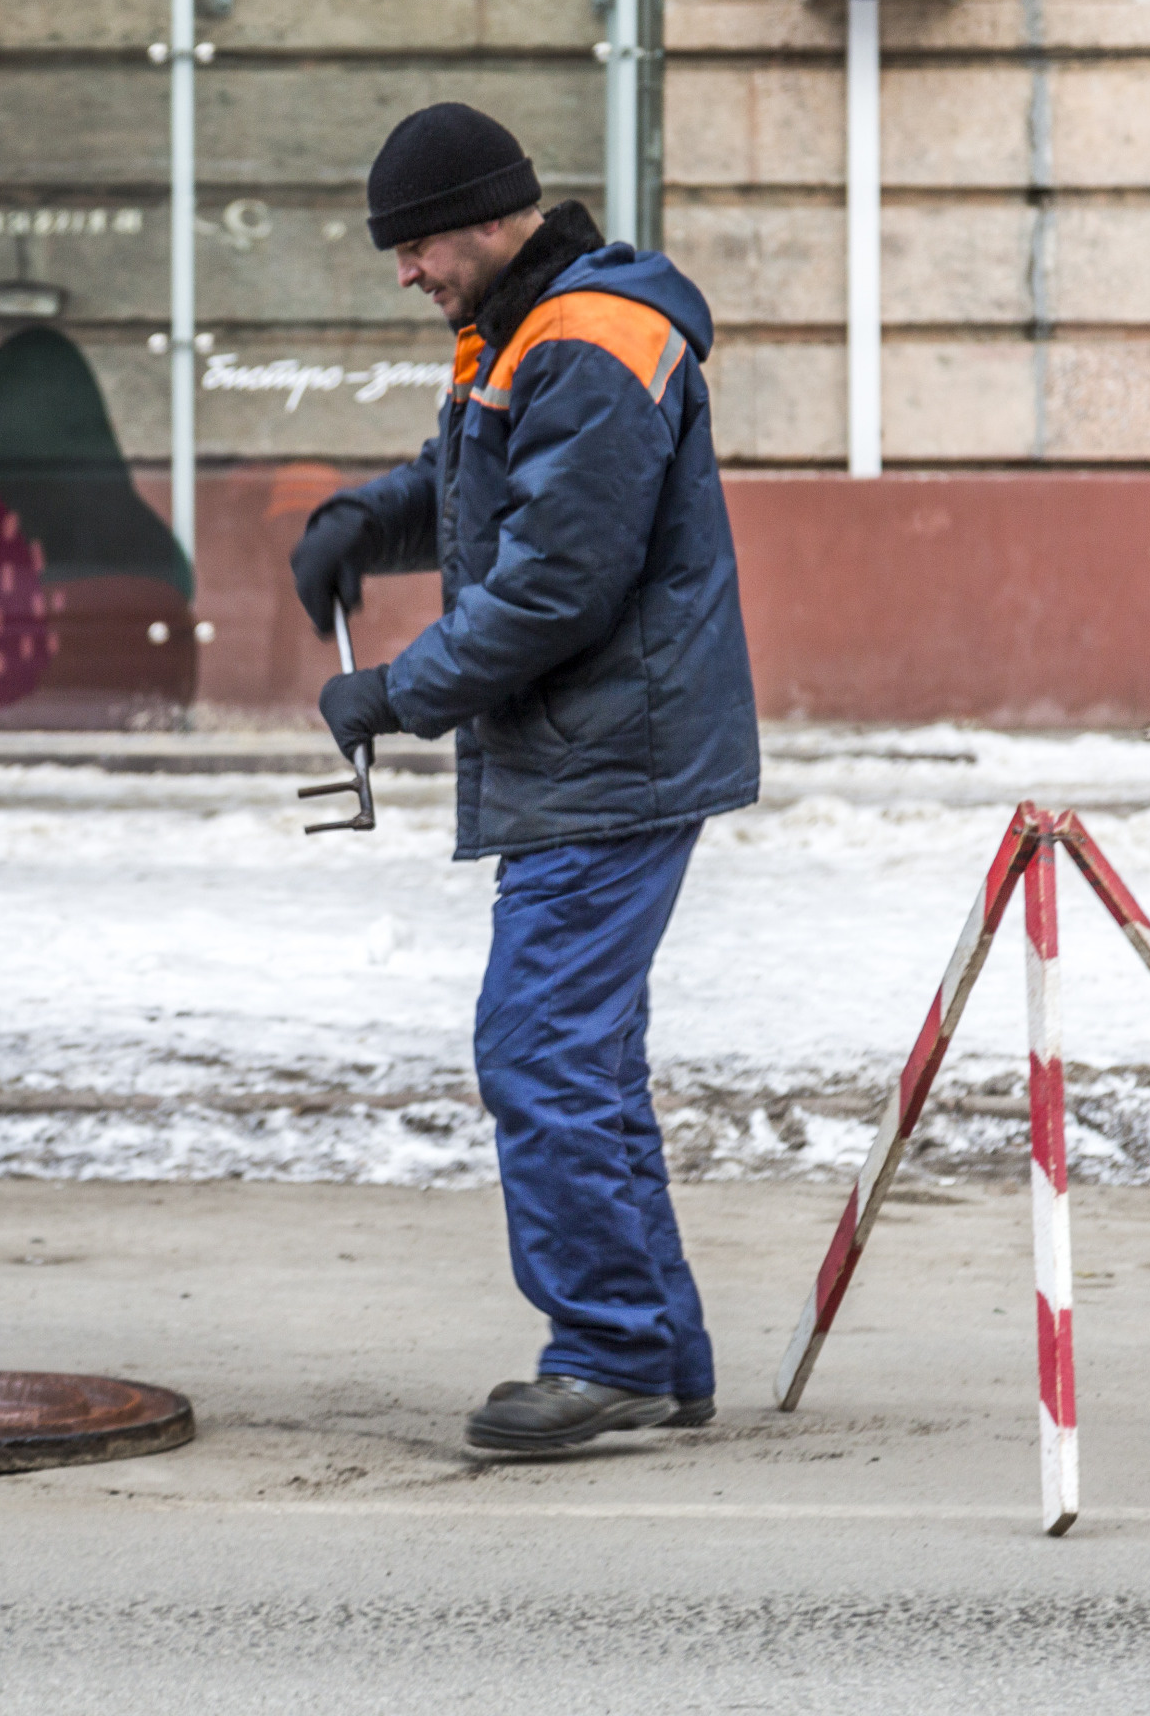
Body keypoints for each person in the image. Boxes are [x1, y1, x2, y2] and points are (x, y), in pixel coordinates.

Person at [291, 103, 760, 1453]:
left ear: (486, 218)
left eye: (416, 244)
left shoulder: (586, 337)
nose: (406, 273)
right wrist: (356, 526)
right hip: (598, 747)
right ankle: (657, 1353)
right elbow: (469, 479)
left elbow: (558, 579)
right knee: (585, 1060)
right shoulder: (527, 326)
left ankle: (607, 1349)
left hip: (613, 753)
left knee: (541, 1048)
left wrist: (396, 694)